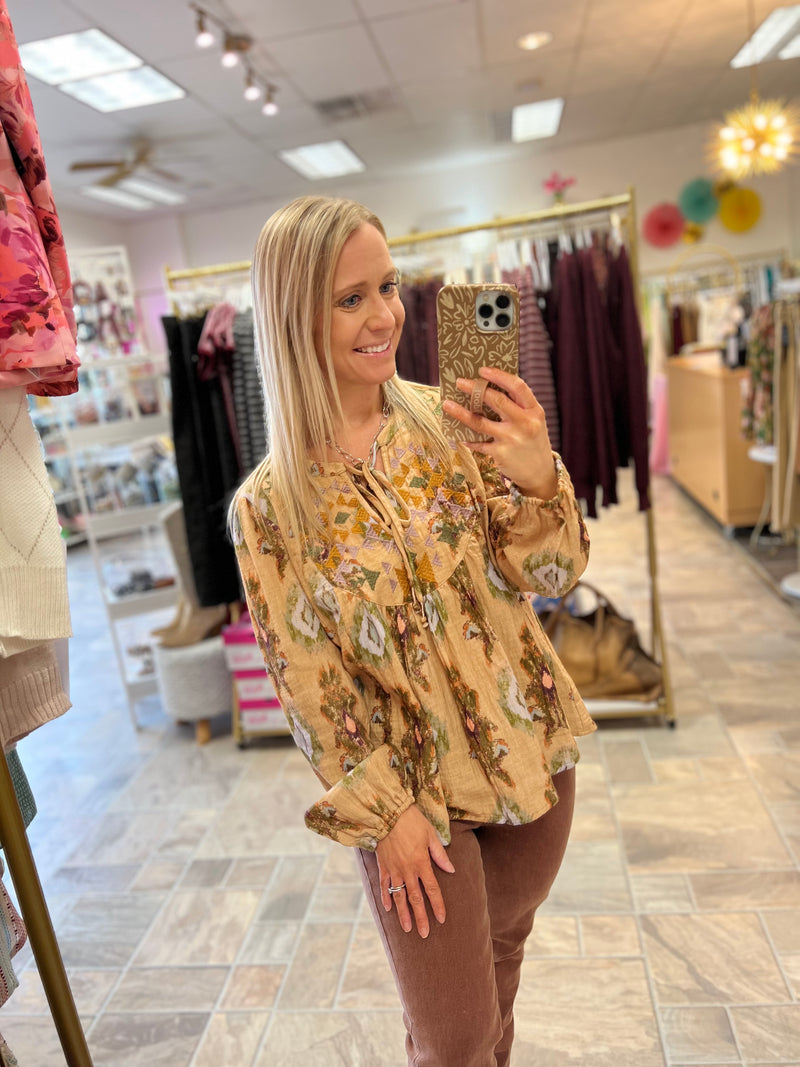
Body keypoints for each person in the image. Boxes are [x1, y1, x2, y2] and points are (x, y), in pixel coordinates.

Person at [232, 195, 596, 1067]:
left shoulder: (453, 423)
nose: (385, 316)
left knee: (498, 973)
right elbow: (307, 684)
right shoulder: (270, 506)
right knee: (453, 1039)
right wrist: (384, 813)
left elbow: (552, 576)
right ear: (293, 317)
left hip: (528, 755)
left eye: (389, 287)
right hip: (412, 804)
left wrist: (539, 478)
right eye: (350, 298)